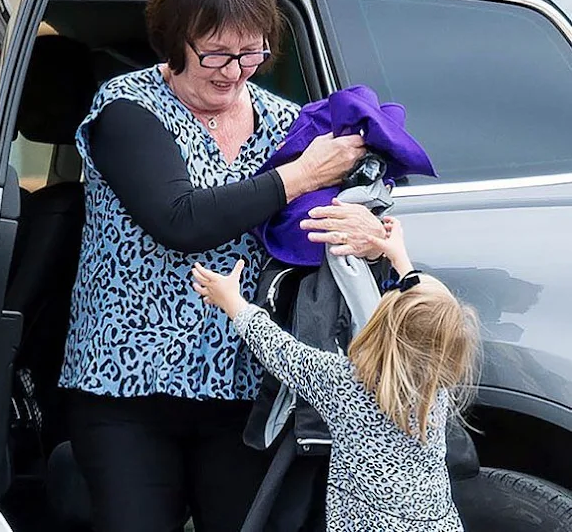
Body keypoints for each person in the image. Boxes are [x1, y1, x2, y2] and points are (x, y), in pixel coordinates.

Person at [58, 0, 379, 532]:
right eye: (215, 54)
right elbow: (180, 220)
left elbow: (315, 228)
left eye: (251, 52)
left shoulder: (288, 122)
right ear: (172, 40)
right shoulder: (127, 107)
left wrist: (363, 228)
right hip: (129, 387)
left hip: (249, 386)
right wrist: (302, 175)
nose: (234, 71)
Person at [192, 216, 480, 532]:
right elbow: (422, 316)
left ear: (378, 326)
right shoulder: (437, 385)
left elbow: (279, 350)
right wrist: (398, 257)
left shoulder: (344, 382)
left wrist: (232, 301)